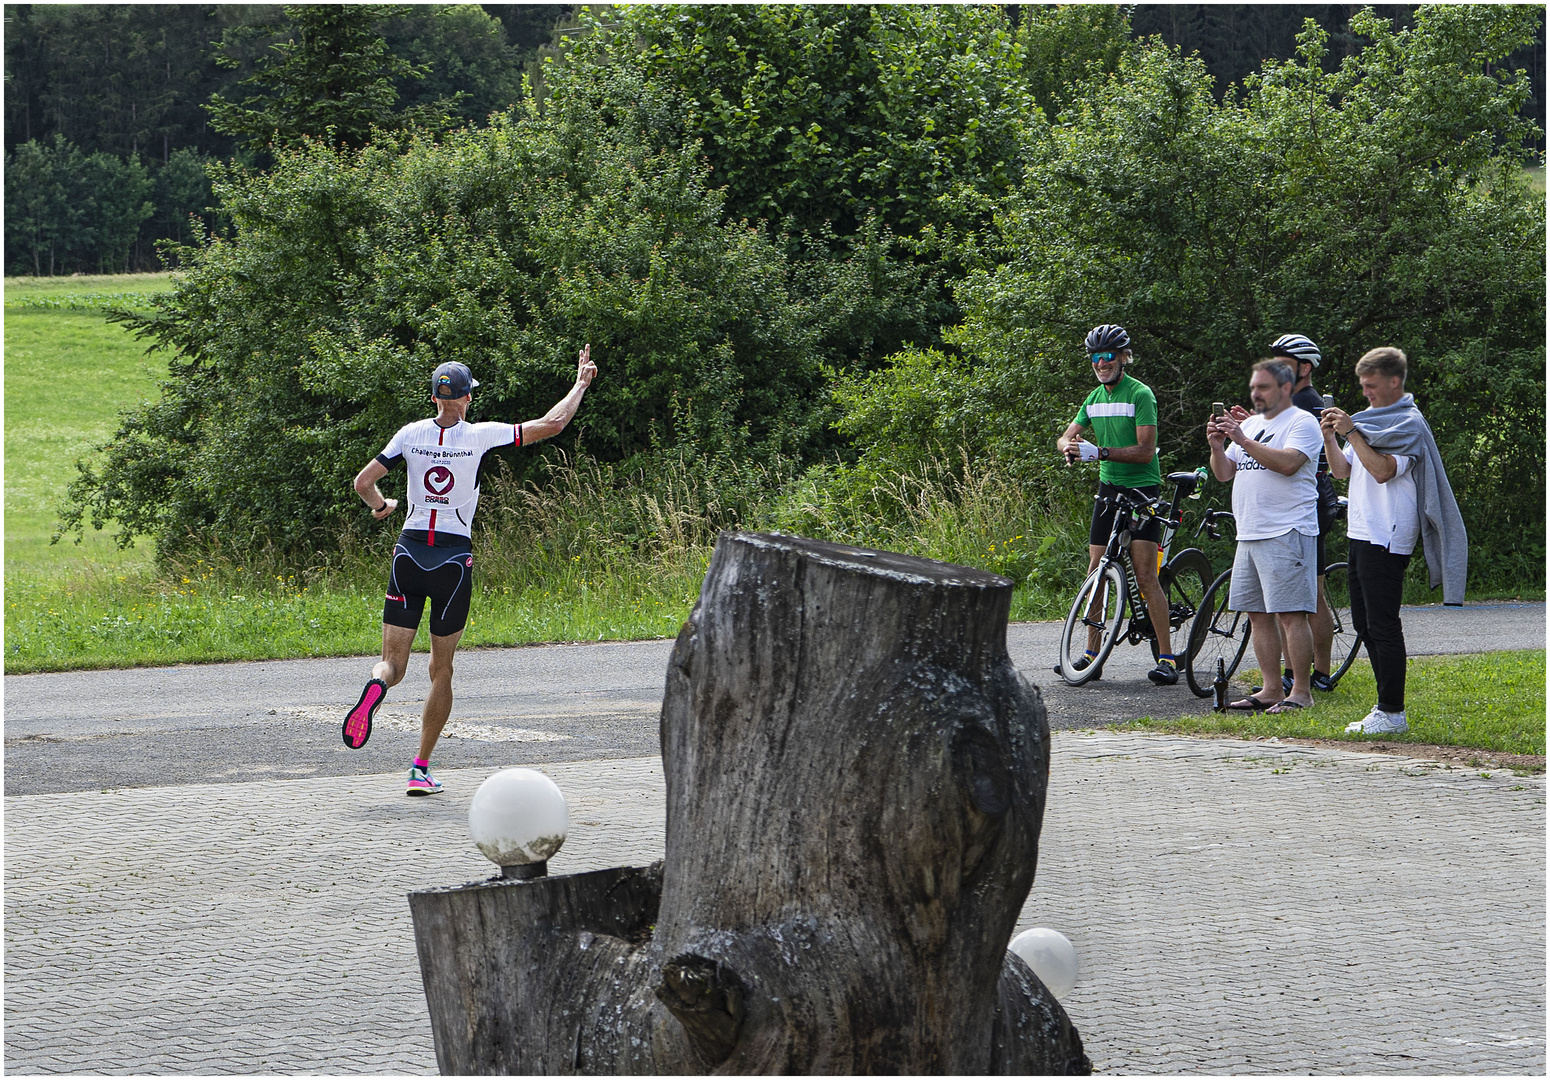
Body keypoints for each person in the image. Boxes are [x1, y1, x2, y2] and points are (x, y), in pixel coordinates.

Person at [343, 348, 598, 795]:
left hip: (409, 553)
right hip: (453, 561)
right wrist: (578, 385)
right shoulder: (480, 435)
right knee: (441, 670)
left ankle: (376, 684)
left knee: (393, 663)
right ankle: (420, 768)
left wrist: (382, 507)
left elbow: (364, 482)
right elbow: (552, 424)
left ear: (435, 398)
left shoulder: (409, 433)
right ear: (467, 399)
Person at [1320, 347, 1467, 736]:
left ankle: (1393, 711)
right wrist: (1332, 439)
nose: (1366, 394)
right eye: (1362, 387)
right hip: (1360, 531)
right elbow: (1341, 472)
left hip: (1387, 535)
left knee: (1383, 625)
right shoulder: (1371, 422)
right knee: (1364, 624)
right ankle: (1385, 707)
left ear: (1393, 383)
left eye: (1371, 386)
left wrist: (1351, 431)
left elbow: (1384, 470)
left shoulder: (1408, 425)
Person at [1054, 324, 1179, 686]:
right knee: (1096, 570)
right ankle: (1092, 656)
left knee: (1144, 574)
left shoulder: (1141, 395)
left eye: (1108, 356)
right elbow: (1067, 434)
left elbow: (1144, 451)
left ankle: (1167, 658)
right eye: (1095, 357)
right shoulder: (1093, 398)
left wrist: (1101, 452)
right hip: (1109, 489)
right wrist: (1068, 447)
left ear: (1124, 358)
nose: (1101, 363)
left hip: (1142, 490)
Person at [1206, 358, 1325, 713]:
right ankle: (1271, 689)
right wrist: (1216, 445)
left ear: (1285, 389)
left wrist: (1240, 437)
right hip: (1250, 531)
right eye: (1254, 387)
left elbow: (1289, 464)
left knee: (1290, 614)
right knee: (1256, 614)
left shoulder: (1302, 422)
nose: (1256, 393)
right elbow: (1225, 473)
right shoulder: (1252, 424)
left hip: (1287, 529)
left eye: (1264, 387)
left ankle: (1301, 692)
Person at [1266, 333, 1341, 694]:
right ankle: (1320, 672)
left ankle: (1304, 673)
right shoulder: (1297, 400)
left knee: (1302, 597)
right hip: (1314, 499)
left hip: (1306, 502)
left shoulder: (1299, 403)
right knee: (1313, 593)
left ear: (1304, 367)